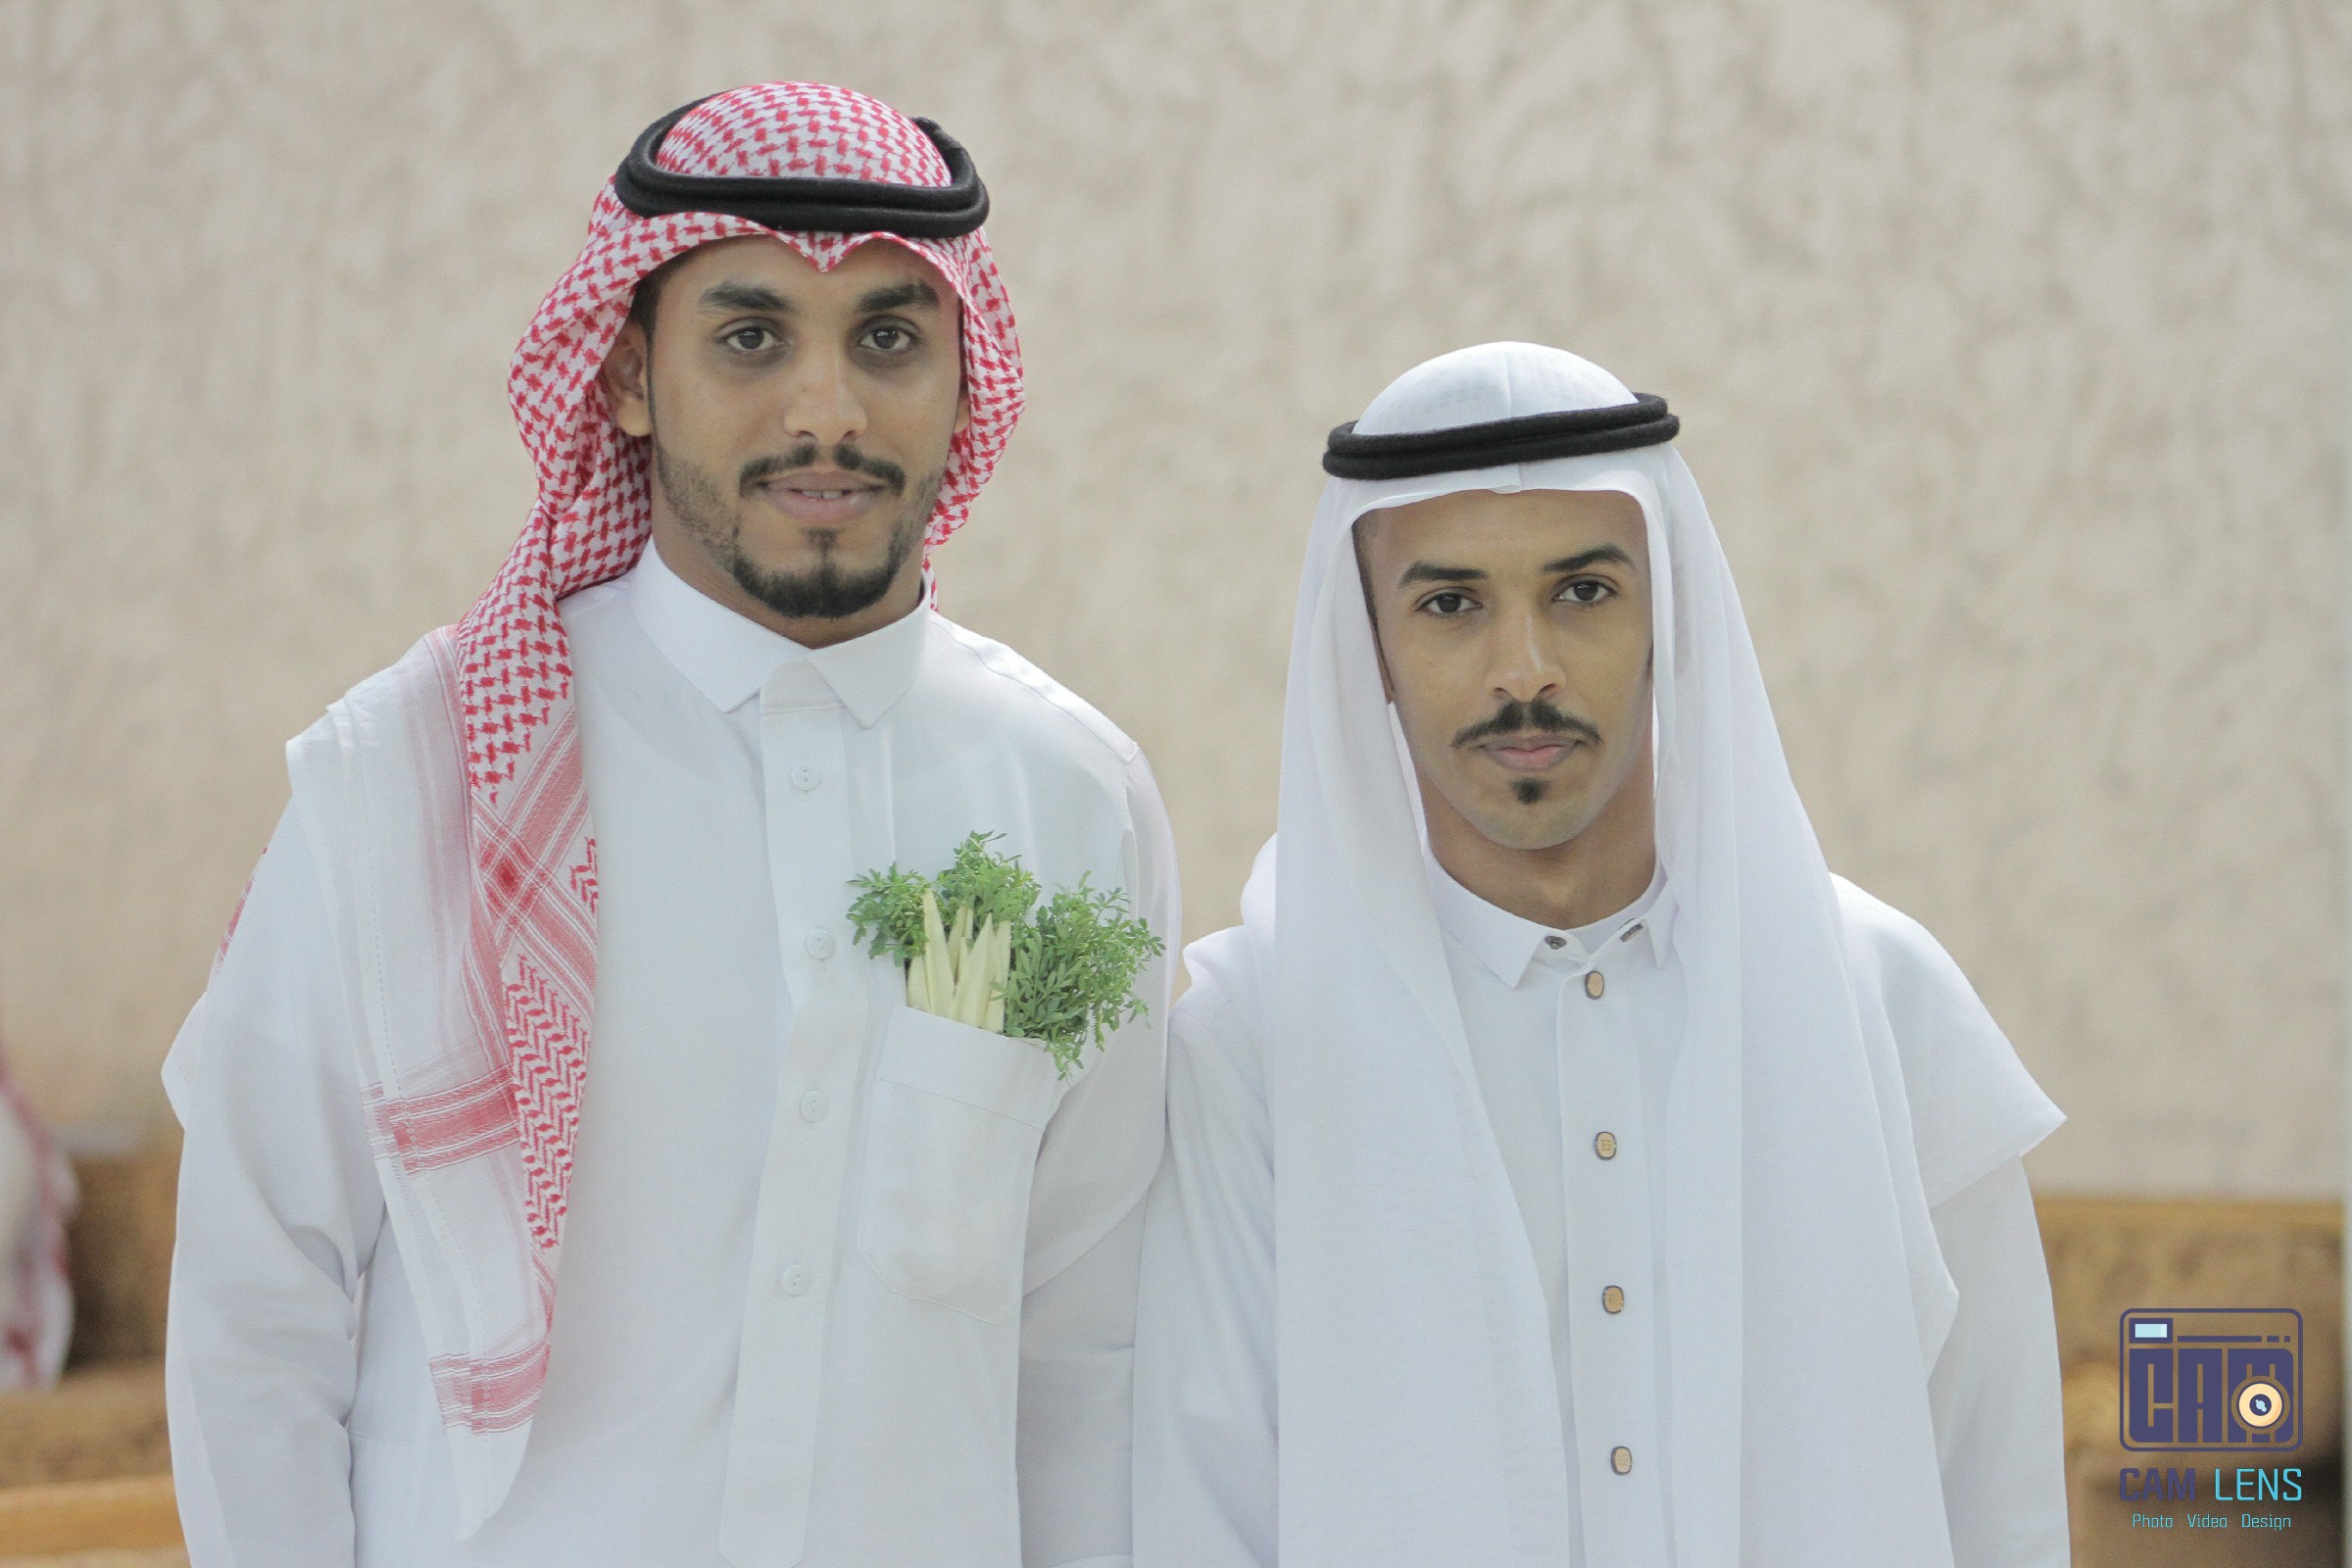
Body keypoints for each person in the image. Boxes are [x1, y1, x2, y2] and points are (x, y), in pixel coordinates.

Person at [165, 82, 1175, 1568]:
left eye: (889, 339)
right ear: (631, 376)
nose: (827, 411)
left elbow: (1087, 1355)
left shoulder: (1072, 796)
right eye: (751, 337)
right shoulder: (411, 775)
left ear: (968, 380)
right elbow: (258, 1317)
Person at [1133, 342, 2068, 1568]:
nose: (1524, 670)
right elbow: (1199, 1511)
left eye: (1582, 591)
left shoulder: (1880, 1002)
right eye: (1451, 604)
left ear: (1666, 613)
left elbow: (1998, 1497)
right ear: (1370, 649)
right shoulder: (1250, 1045)